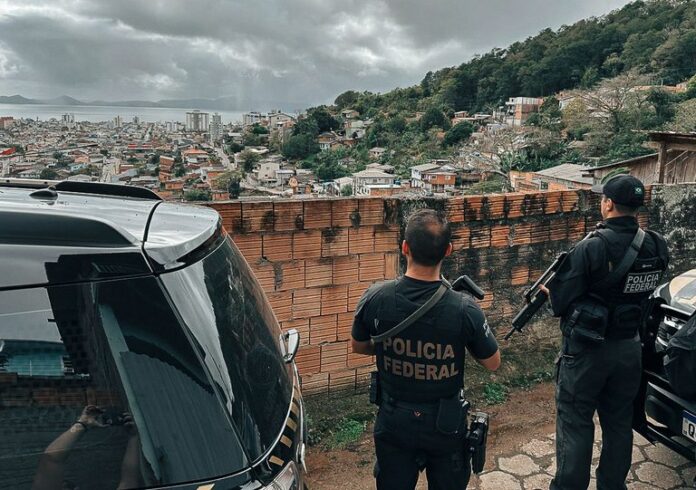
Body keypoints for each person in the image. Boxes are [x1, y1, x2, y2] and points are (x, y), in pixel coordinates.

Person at [351, 209, 501, 490]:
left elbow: (359, 346)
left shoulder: (376, 297)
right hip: (446, 425)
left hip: (394, 420)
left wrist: (395, 347)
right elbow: (493, 362)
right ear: (448, 250)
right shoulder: (464, 309)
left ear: (404, 247)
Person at [542, 175, 669, 490]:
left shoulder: (593, 247)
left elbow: (560, 301)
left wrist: (551, 293)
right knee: (619, 422)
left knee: (575, 422)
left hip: (588, 352)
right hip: (630, 348)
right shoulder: (656, 244)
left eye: (603, 199)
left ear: (609, 204)